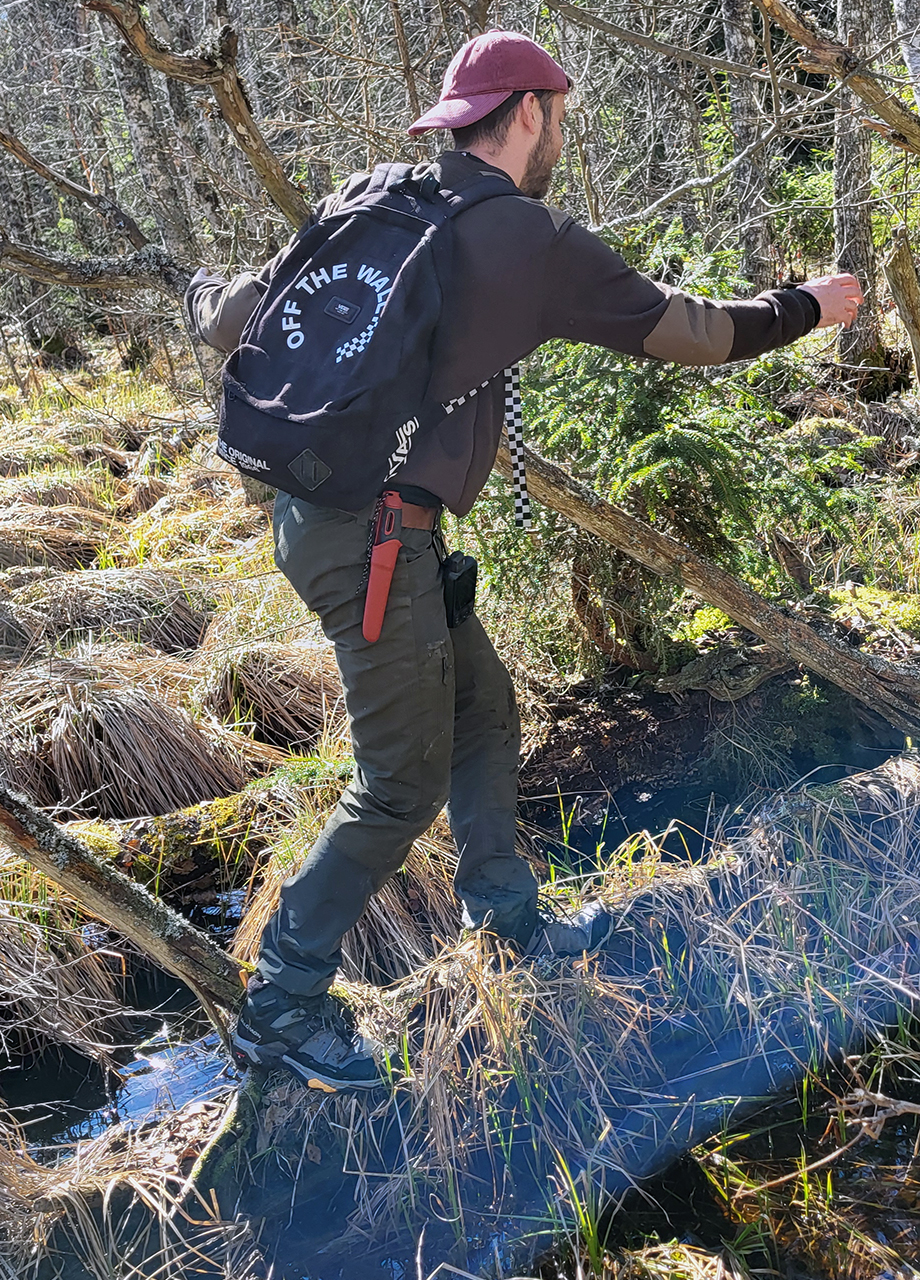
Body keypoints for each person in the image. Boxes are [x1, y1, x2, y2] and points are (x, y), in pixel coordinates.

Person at [185, 30, 864, 1092]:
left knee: (485, 709)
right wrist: (806, 308)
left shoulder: (377, 194)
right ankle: (280, 1006)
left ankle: (506, 921)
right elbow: (686, 332)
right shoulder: (524, 238)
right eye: (560, 113)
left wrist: (189, 294)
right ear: (530, 112)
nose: (562, 133)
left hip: (330, 518)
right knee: (397, 785)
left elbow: (237, 315)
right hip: (372, 543)